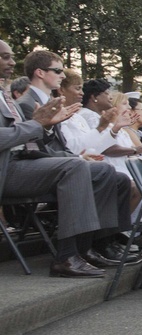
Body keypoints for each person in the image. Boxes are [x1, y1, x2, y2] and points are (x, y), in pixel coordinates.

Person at [0, 41, 133, 276]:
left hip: (20, 162)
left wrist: (45, 128)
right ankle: (68, 256)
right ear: (41, 73)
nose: (12, 62)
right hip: (9, 169)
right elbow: (23, 139)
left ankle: (88, 247)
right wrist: (39, 125)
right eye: (5, 57)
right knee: (74, 166)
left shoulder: (5, 95)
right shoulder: (24, 100)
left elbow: (33, 140)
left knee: (104, 172)